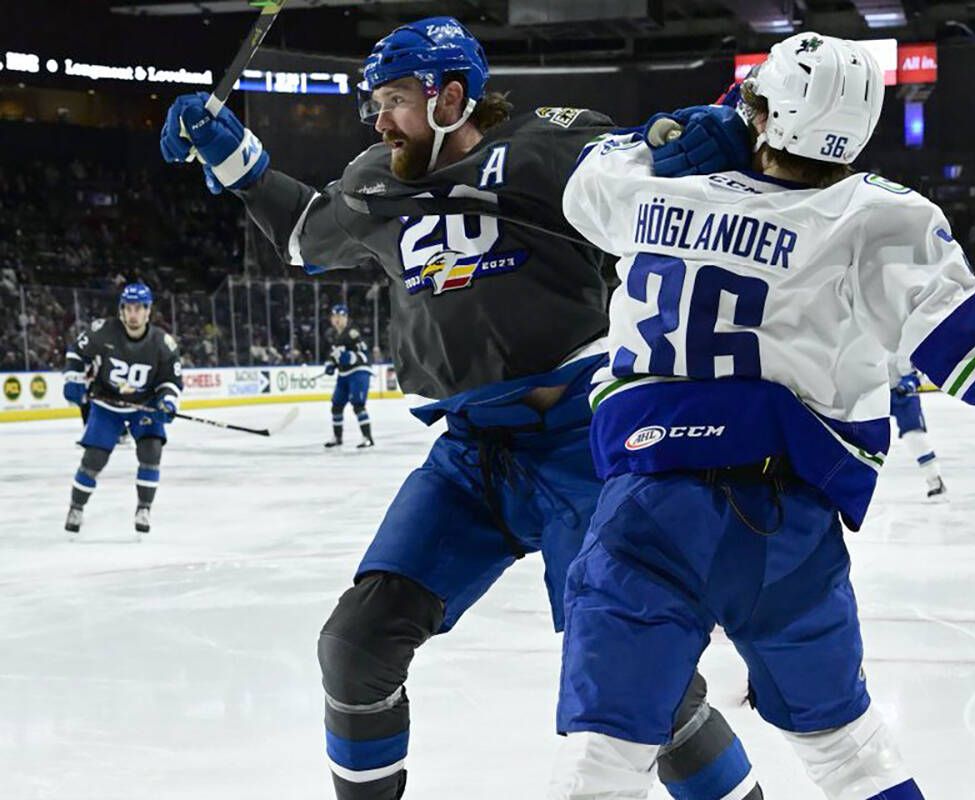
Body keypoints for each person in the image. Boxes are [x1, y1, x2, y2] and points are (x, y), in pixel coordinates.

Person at [550, 32, 975, 799]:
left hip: (643, 509)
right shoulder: (878, 217)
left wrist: (692, 122)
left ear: (764, 113)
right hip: (783, 523)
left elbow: (585, 180)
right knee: (849, 753)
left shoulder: (650, 184)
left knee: (605, 763)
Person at [161, 16, 762, 800]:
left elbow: (654, 161)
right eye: (374, 103)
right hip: (472, 456)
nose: (379, 120)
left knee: (642, 676)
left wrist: (709, 137)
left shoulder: (549, 147)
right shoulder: (380, 177)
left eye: (395, 100)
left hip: (583, 450)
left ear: (452, 97)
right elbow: (307, 236)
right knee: (355, 646)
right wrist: (232, 156)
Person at [62, 282, 182, 537]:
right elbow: (77, 352)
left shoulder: (163, 344)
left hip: (144, 407)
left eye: (139, 308)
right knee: (94, 459)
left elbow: (171, 381)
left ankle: (144, 508)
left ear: (148, 311)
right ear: (121, 310)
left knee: (151, 452)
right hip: (107, 405)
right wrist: (72, 378)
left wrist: (167, 402)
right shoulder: (103, 331)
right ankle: (76, 508)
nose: (134, 313)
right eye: (128, 308)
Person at [888, 354, 947, 499]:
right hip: (875, 395)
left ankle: (934, 479)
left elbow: (918, 372)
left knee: (914, 437)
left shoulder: (900, 343)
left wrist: (908, 384)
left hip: (902, 397)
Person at [324, 303, 375, 449]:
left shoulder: (353, 333)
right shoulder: (333, 334)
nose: (337, 319)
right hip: (344, 374)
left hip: (359, 372)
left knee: (358, 405)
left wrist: (350, 357)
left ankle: (368, 438)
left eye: (340, 316)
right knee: (336, 405)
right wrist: (331, 365)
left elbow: (365, 354)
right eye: (334, 316)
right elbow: (334, 355)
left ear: (346, 318)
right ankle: (337, 438)